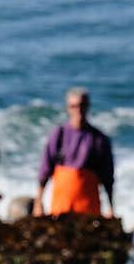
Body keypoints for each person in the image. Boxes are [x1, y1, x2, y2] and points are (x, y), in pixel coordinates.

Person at [33, 88, 114, 217]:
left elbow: (108, 177)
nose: (78, 110)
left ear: (88, 106)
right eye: (74, 106)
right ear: (68, 108)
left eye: (82, 105)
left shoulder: (99, 139)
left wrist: (111, 207)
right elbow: (45, 171)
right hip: (61, 207)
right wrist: (38, 203)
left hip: (89, 208)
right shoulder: (58, 135)